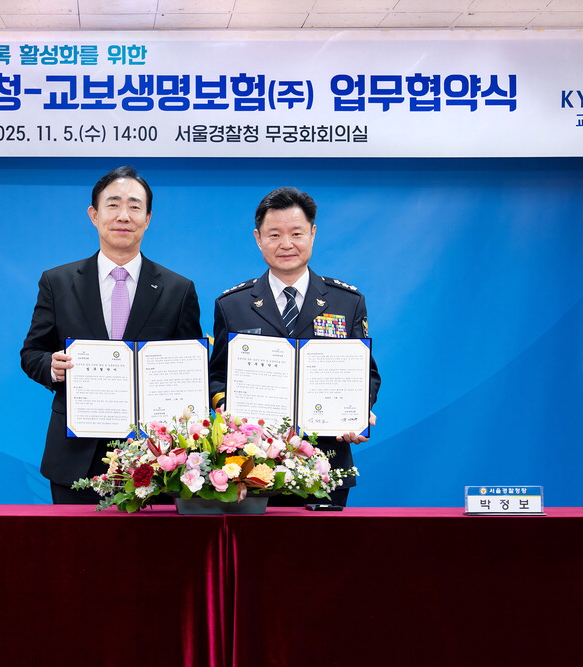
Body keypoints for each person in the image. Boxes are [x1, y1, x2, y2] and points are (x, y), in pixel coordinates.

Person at [21, 166, 202, 504]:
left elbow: (190, 372)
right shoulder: (57, 282)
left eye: (134, 207)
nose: (123, 216)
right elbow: (32, 353)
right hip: (75, 454)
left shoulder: (178, 289)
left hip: (154, 460)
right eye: (113, 205)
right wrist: (51, 366)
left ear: (147, 219)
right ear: (94, 215)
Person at [208, 186, 380, 507]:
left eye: (296, 233)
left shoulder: (347, 301)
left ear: (312, 234)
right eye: (274, 235)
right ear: (258, 239)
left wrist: (356, 412)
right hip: (251, 465)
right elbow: (216, 377)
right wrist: (232, 412)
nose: (286, 244)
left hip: (326, 464)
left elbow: (366, 374)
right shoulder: (232, 305)